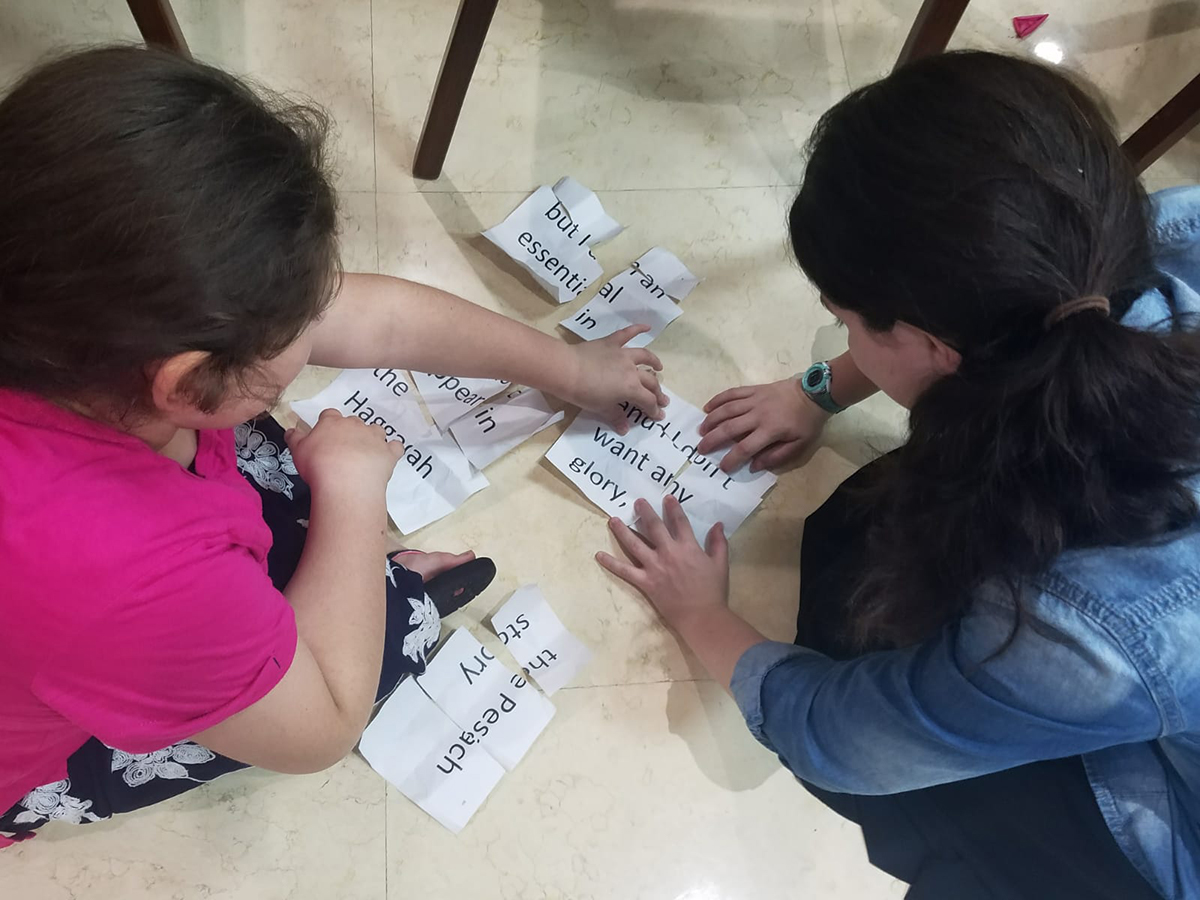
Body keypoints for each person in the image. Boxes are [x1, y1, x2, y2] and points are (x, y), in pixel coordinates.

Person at [0, 46, 667, 845]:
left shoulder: (51, 283)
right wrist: (353, 495)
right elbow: (320, 730)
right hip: (42, 738)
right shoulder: (125, 573)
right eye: (299, 327)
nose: (322, 323)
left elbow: (376, 319)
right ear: (186, 382)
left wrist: (569, 368)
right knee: (392, 631)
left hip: (79, 592)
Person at [598, 50, 1200, 900]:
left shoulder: (1078, 634)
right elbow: (986, 309)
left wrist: (703, 616)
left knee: (864, 624)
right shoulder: (1147, 236)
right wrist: (819, 389)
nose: (841, 337)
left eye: (844, 321)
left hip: (1169, 814)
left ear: (929, 344)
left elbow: (841, 739)